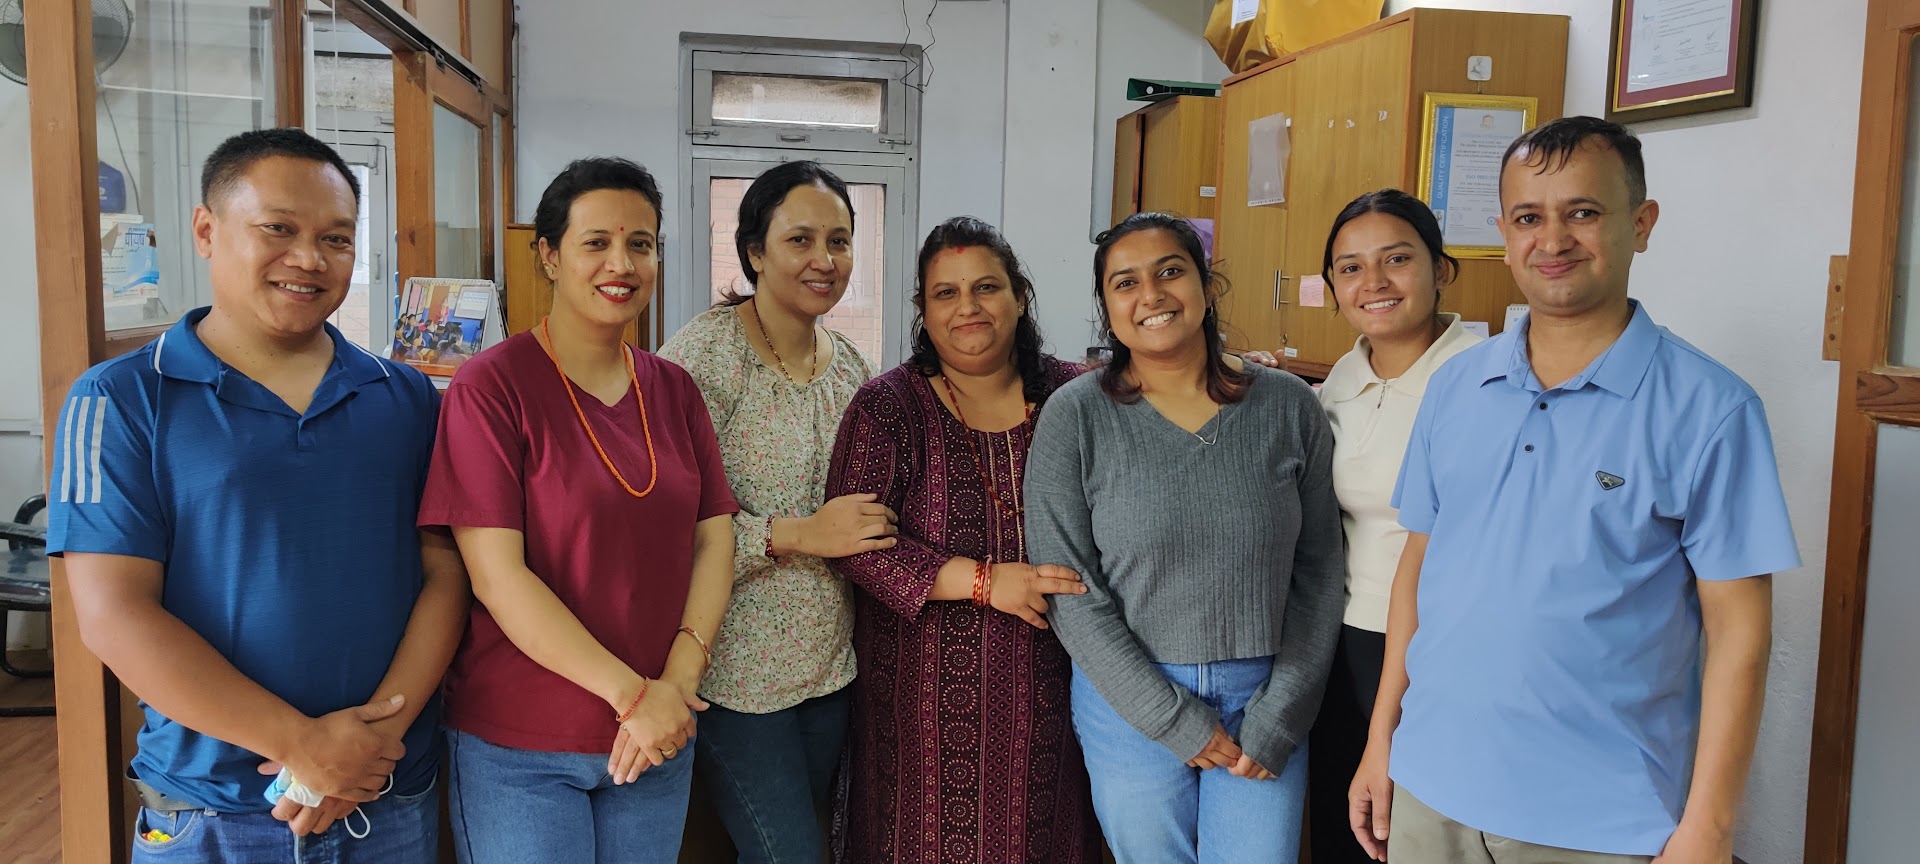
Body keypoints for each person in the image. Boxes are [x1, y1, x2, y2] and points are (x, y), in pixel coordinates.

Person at [1348, 117, 1798, 864]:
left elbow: (1740, 636)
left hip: (1599, 821)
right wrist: (1380, 745)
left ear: (1641, 224)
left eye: (1583, 213)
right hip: (1430, 790)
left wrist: (1710, 830)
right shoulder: (1457, 384)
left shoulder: (1711, 410)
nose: (1552, 240)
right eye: (1529, 217)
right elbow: (1416, 571)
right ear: (1503, 233)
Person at [48, 128, 467, 862]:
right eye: (279, 228)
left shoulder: (404, 396)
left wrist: (369, 748)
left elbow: (446, 573)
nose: (309, 259)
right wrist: (303, 747)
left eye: (336, 238)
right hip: (212, 816)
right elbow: (114, 614)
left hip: (385, 799)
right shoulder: (120, 399)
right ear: (206, 231)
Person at [418, 157, 738, 863]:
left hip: (656, 737)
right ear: (550, 256)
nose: (620, 263)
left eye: (641, 244)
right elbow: (498, 578)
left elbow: (716, 539)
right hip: (521, 746)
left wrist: (677, 688)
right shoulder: (491, 388)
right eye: (596, 242)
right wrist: (634, 697)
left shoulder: (674, 390)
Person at [1025, 211, 1345, 863]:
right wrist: (1167, 715)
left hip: (1265, 695)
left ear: (1205, 283)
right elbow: (1068, 588)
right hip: (1130, 704)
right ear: (1106, 306)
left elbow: (1319, 571)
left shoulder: (1288, 407)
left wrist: (1284, 709)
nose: (1151, 296)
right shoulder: (1076, 417)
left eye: (1171, 271)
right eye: (1125, 282)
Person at [826, 216, 1102, 863]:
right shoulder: (886, 409)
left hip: (1058, 695)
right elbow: (855, 545)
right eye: (945, 293)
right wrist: (984, 582)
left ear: (1020, 296)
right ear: (923, 310)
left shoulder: (1078, 397)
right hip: (919, 717)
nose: (968, 307)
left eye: (986, 287)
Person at [656, 161, 895, 863]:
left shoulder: (851, 365)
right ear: (755, 251)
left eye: (840, 241)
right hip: (731, 676)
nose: (825, 261)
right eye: (800, 241)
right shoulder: (704, 358)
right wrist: (798, 535)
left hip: (829, 671)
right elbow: (663, 520)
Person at [1305, 189, 1482, 864]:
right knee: (1345, 829)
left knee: (1416, 835)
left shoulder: (1480, 377)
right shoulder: (1339, 381)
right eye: (1350, 268)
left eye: (1396, 260)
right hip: (1342, 640)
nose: (1372, 283)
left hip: (1439, 645)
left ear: (1441, 270)